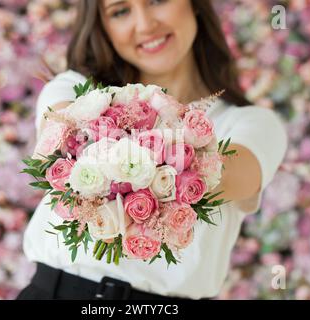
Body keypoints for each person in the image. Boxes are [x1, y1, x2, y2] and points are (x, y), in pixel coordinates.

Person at [17, 0, 287, 300]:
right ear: (103, 27)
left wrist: (108, 146)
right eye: (120, 11)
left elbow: (220, 175)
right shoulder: (74, 88)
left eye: (157, 0)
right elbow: (62, 140)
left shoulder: (253, 125)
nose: (145, 25)